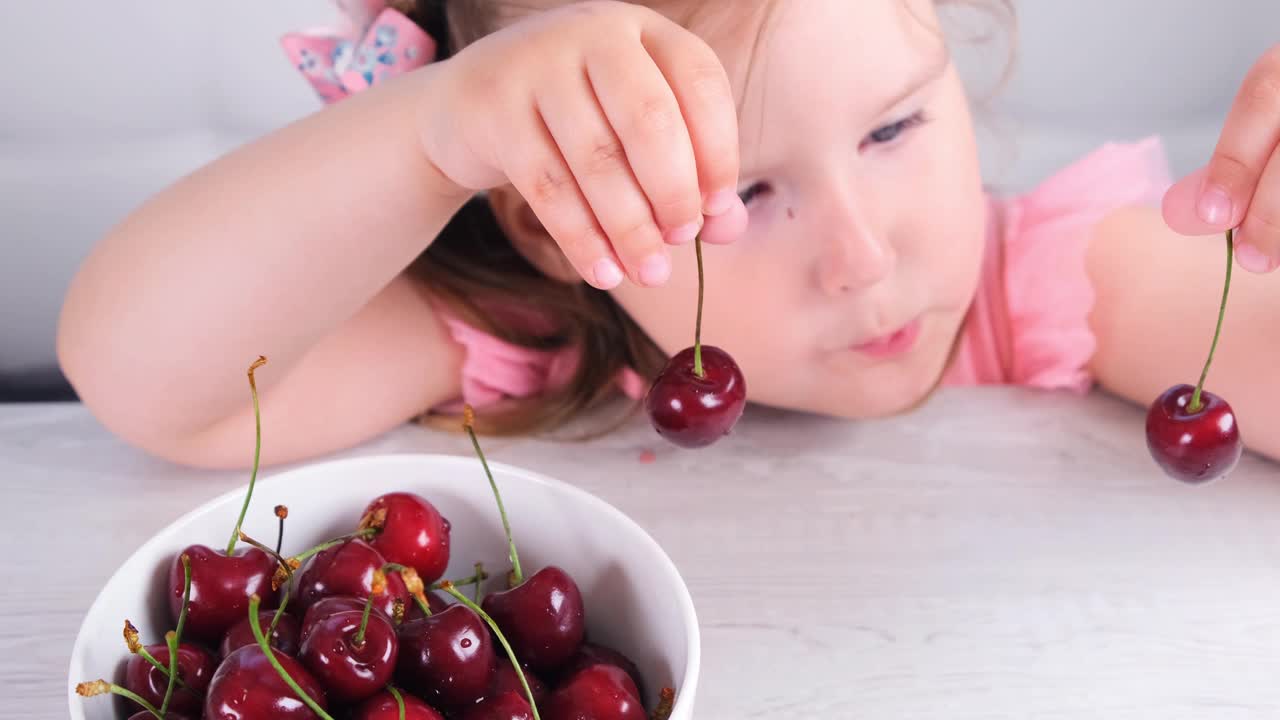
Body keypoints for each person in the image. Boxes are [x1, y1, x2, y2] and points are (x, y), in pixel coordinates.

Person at [56, 0, 1280, 468]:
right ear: (551, 231)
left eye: (894, 127)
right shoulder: (547, 337)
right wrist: (424, 137)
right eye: (740, 197)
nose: (861, 257)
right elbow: (153, 386)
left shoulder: (1059, 277)